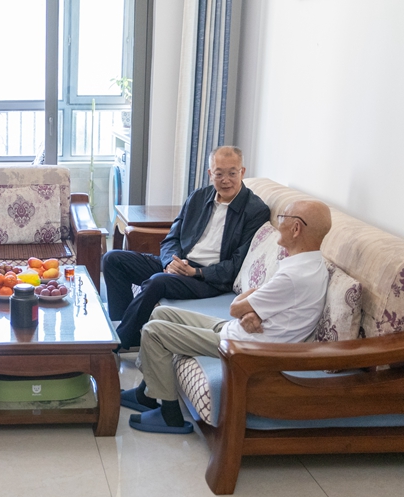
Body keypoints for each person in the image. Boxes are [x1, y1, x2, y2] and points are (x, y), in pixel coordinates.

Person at [123, 200, 332, 434]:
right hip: (242, 331)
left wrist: (247, 307)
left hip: (246, 347)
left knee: (154, 332)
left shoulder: (294, 276)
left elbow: (236, 308)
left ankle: (169, 415)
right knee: (161, 312)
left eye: (283, 217)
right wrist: (251, 310)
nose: (278, 223)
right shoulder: (310, 264)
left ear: (296, 228)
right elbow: (265, 304)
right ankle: (146, 394)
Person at [103, 146, 270, 353]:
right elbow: (172, 238)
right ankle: (127, 330)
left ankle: (116, 345)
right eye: (219, 174)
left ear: (242, 172)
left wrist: (196, 272)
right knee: (113, 259)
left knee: (157, 282)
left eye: (232, 173)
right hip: (181, 264)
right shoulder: (199, 197)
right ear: (210, 174)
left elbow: (236, 264)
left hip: (209, 279)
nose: (226, 180)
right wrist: (170, 263)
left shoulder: (255, 210)